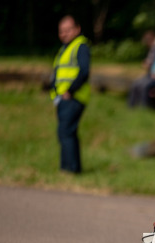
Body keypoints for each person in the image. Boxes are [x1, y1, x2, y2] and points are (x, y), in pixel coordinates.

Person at [50, 15, 90, 174]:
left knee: (65, 132)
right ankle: (72, 168)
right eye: (61, 31)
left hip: (73, 98)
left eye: (68, 30)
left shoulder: (80, 46)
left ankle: (69, 169)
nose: (64, 34)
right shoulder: (65, 48)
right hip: (62, 99)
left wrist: (70, 91)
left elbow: (84, 71)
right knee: (67, 133)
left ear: (77, 29)